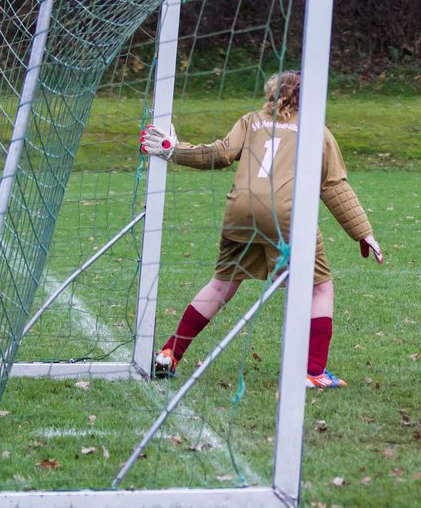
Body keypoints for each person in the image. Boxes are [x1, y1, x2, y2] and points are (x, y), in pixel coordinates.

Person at [140, 70, 384, 388]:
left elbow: (221, 153)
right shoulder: (316, 131)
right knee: (319, 288)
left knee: (220, 285)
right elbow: (333, 185)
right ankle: (313, 371)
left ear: (273, 91)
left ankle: (170, 353)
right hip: (287, 216)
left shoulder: (252, 120)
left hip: (240, 209)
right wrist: (362, 232)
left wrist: (174, 149)